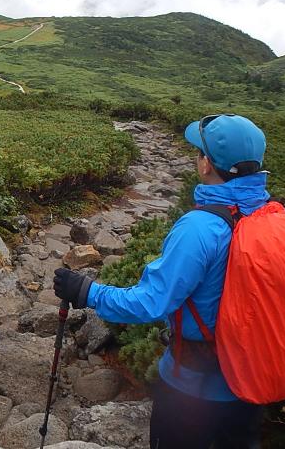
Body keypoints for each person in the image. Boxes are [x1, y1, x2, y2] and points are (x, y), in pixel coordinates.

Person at [54, 114, 269, 449]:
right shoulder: (269, 216)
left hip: (193, 392)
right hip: (251, 385)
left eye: (199, 152)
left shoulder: (200, 228)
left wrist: (88, 291)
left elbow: (151, 302)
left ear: (206, 164)